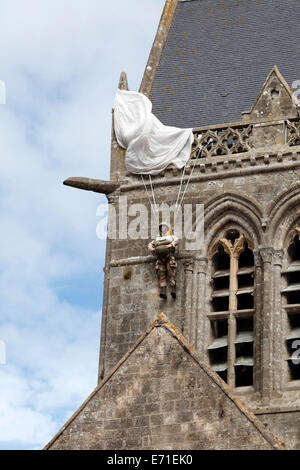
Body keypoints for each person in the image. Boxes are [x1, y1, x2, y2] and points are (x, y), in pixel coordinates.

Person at [148, 223, 178, 299]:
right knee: (161, 274)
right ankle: (163, 291)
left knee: (171, 272)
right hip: (160, 258)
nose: (163, 229)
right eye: (161, 228)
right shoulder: (157, 239)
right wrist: (153, 250)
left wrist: (171, 245)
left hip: (169, 257)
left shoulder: (172, 236)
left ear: (167, 229)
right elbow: (150, 245)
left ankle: (173, 289)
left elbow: (176, 240)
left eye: (164, 228)